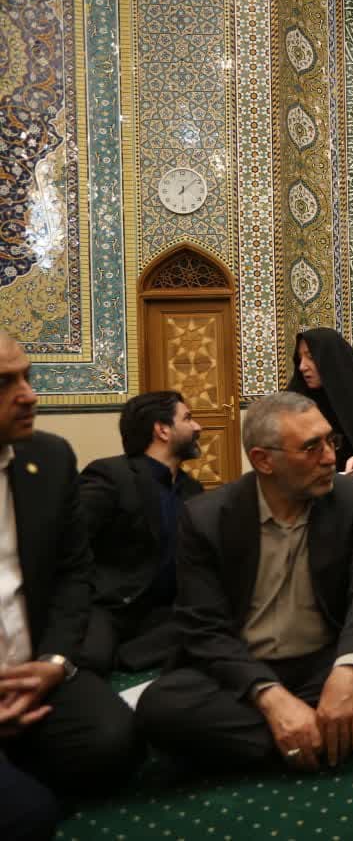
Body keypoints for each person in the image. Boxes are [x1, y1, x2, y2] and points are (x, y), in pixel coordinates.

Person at [136, 392, 353, 772]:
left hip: (325, 659)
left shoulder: (350, 498)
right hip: (247, 667)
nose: (330, 458)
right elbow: (204, 627)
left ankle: (276, 742)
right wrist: (270, 697)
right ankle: (351, 735)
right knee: (161, 707)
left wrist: (347, 673)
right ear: (263, 460)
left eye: (330, 441)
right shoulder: (207, 518)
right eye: (311, 447)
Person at [0, 331, 143, 825]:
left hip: (35, 670)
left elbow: (73, 572)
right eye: (4, 383)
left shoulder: (50, 459)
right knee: (32, 816)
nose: (28, 395)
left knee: (115, 744)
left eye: (27, 377)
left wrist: (55, 661)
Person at [78, 391, 204, 673]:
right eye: (188, 418)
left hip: (167, 613)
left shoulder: (192, 490)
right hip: (111, 606)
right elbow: (69, 542)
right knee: (92, 659)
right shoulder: (111, 475)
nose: (198, 427)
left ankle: (129, 657)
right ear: (162, 430)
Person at [286, 327, 353, 475]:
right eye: (300, 358)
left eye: (311, 357)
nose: (302, 366)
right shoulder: (294, 404)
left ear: (331, 359)